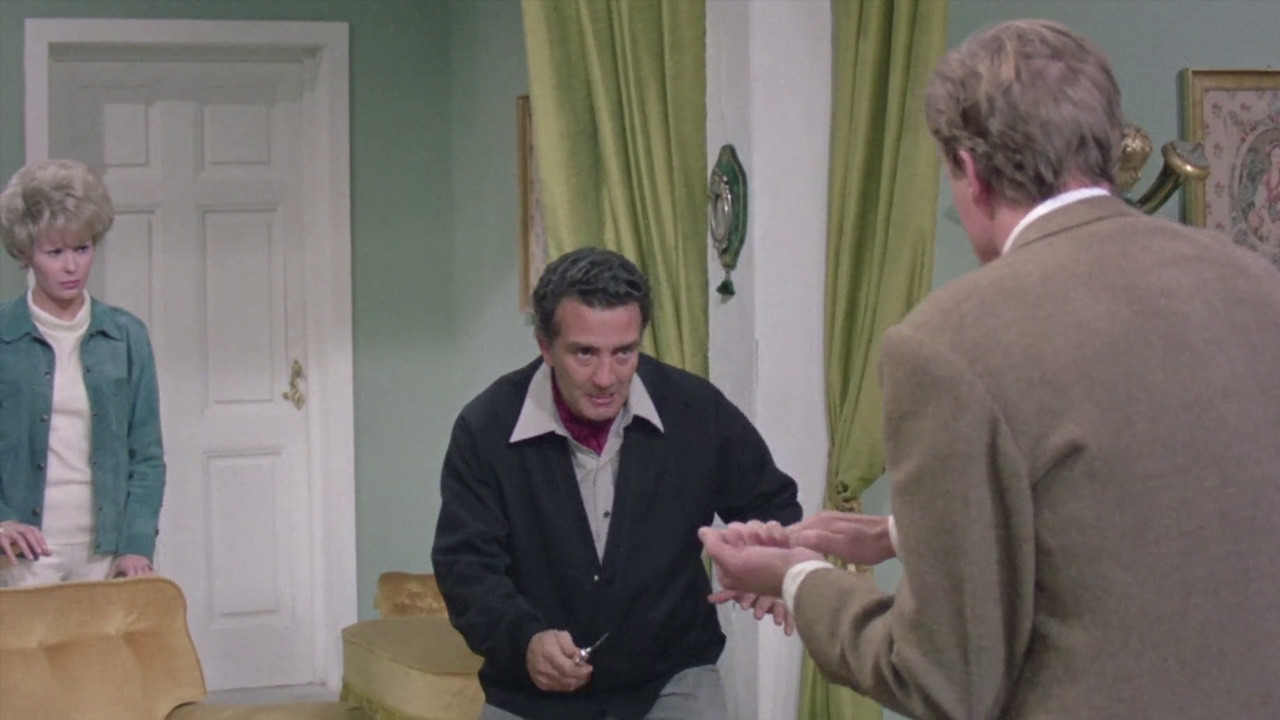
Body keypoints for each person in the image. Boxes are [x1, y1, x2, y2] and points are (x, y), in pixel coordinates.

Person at [699, 18, 1280, 719]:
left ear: (970, 172)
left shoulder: (945, 345)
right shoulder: (1257, 285)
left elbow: (939, 678)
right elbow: (1150, 500)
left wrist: (800, 579)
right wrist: (900, 534)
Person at [431, 247, 801, 720]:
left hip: (671, 676)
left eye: (624, 352)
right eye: (584, 353)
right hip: (528, 687)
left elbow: (772, 503)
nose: (606, 378)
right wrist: (524, 641)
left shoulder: (696, 410)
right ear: (545, 346)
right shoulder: (486, 427)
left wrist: (775, 565)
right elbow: (466, 566)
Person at [0, 159, 166, 586]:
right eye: (55, 253)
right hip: (21, 556)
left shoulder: (125, 336)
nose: (71, 267)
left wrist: (136, 545)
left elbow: (146, 455)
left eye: (82, 248)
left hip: (105, 550)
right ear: (26, 253)